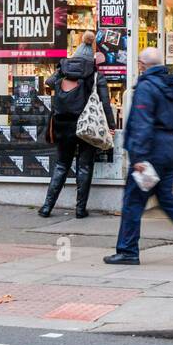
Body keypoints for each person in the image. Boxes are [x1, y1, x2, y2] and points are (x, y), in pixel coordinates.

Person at [105, 47, 173, 266]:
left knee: (132, 203)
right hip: (170, 149)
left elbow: (142, 123)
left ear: (143, 64)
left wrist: (138, 157)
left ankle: (127, 251)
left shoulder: (146, 87)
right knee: (167, 200)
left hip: (150, 153)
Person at [40, 31, 115, 219]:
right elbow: (105, 103)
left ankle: (46, 207)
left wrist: (62, 72)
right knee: (84, 167)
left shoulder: (63, 72)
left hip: (62, 126)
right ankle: (80, 210)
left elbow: (48, 82)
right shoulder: (95, 76)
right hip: (86, 127)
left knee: (61, 166)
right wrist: (111, 125)